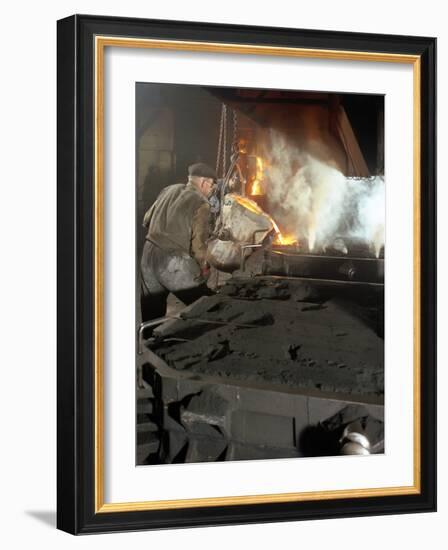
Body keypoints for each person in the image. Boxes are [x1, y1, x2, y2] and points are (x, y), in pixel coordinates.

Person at [140, 162, 217, 322]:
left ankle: (148, 343)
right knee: (207, 305)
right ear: (204, 182)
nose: (211, 192)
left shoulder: (169, 189)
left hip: (148, 255)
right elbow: (198, 245)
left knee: (152, 312)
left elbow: (146, 219)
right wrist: (204, 267)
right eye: (212, 187)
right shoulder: (201, 203)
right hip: (172, 261)